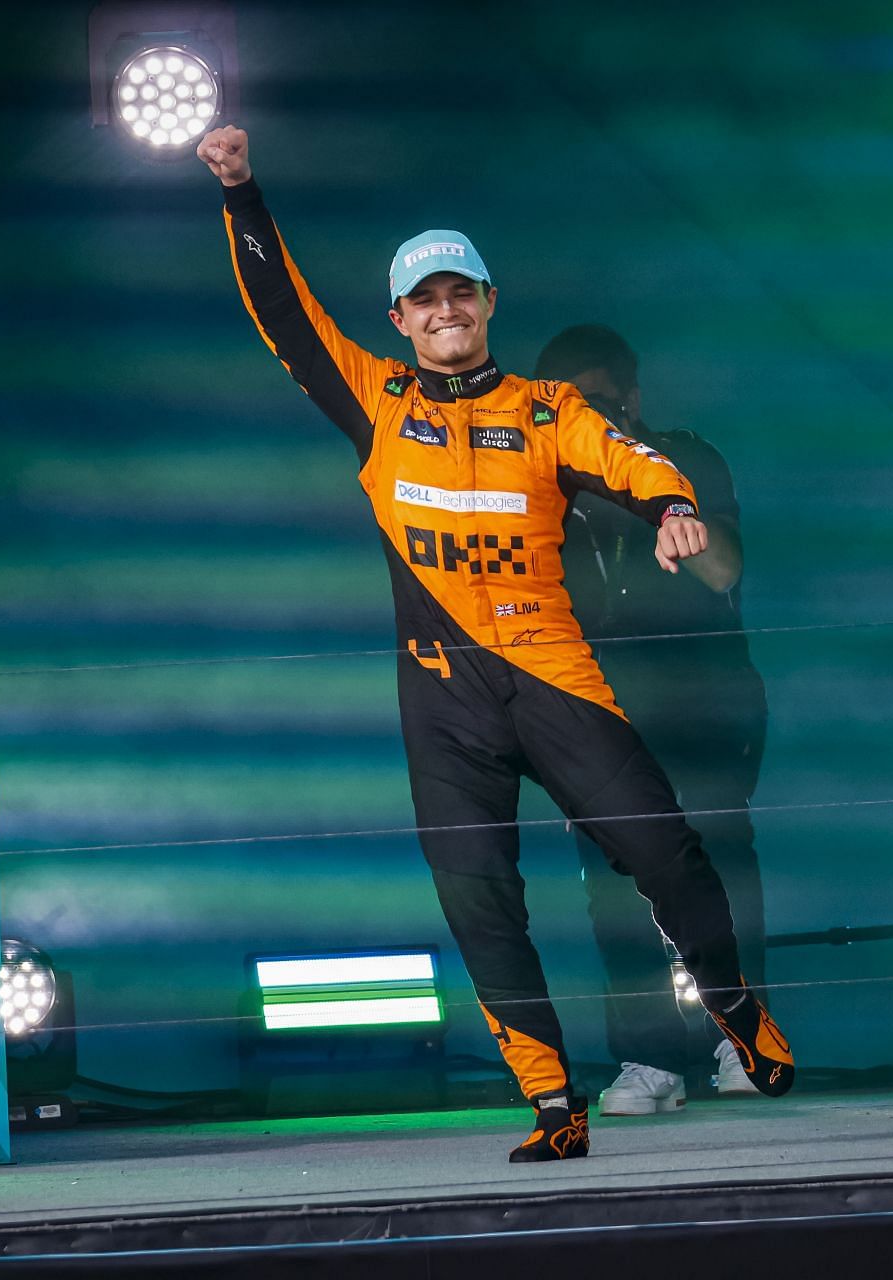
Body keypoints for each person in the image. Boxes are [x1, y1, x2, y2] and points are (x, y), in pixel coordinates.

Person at [197, 125, 794, 1163]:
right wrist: (244, 195)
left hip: (552, 673)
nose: (445, 312)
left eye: (460, 293)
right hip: (443, 702)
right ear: (401, 320)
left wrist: (674, 506)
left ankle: (736, 1005)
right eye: (424, 300)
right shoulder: (375, 400)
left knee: (667, 852)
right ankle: (554, 1103)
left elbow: (627, 455)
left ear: (487, 304)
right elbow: (284, 315)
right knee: (480, 901)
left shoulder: (546, 408)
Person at [537, 325, 771, 1117]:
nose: (591, 416)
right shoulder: (538, 486)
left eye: (602, 400)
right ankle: (648, 1058)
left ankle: (741, 1039)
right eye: (573, 405)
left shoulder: (687, 460)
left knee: (721, 871)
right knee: (615, 887)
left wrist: (651, 497)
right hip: (597, 714)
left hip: (702, 705)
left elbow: (726, 570)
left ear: (632, 401)